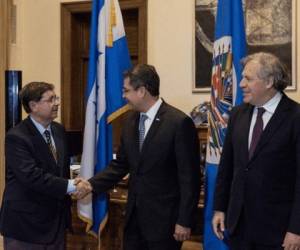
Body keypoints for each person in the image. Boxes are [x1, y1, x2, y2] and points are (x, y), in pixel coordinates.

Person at [75, 64, 201, 250]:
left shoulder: (179, 123)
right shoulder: (130, 121)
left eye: (126, 91)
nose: (123, 96)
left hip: (165, 222)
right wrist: (91, 184)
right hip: (134, 218)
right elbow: (120, 165)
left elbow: (189, 178)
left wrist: (184, 220)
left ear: (142, 91)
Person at [212, 52, 300, 250]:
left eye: (248, 78)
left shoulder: (295, 117)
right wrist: (219, 208)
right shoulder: (237, 114)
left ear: (269, 81)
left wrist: (296, 229)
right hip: (238, 227)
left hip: (278, 230)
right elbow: (227, 167)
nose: (241, 83)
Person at [0, 82, 76, 249]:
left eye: (56, 98)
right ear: (33, 106)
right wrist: (71, 186)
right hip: (26, 227)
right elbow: (31, 176)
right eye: (50, 100)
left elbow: (59, 170)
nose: (57, 103)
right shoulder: (17, 137)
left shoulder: (58, 130)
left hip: (56, 224)